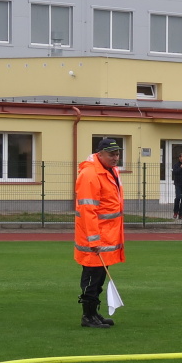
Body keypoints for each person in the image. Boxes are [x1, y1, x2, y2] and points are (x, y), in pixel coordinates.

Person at [74, 138, 125, 328]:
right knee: (92, 277)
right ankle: (87, 316)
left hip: (106, 236)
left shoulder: (108, 171)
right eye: (111, 154)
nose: (115, 157)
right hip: (95, 239)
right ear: (100, 154)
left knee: (99, 277)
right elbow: (88, 210)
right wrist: (93, 240)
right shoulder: (90, 174)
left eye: (117, 153)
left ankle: (94, 313)